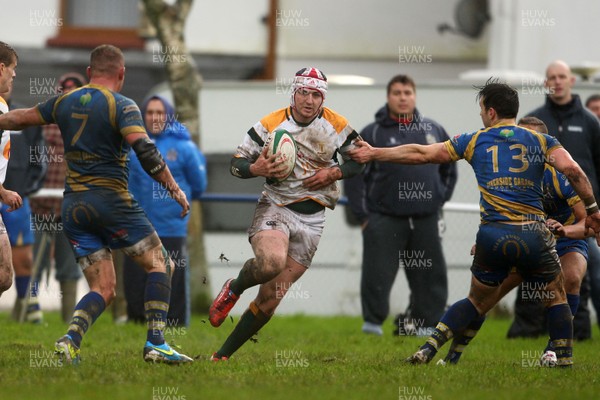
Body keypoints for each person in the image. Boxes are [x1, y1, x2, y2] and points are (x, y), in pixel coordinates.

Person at [348, 79, 600, 367]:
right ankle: (563, 359)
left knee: (476, 302)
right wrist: (593, 210)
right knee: (557, 296)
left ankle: (431, 349)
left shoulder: (474, 139)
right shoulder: (543, 141)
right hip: (534, 235)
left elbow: (422, 154)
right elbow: (574, 170)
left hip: (492, 236)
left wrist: (374, 153)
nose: (481, 115)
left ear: (491, 112)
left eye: (482, 109)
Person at [0, 44, 193, 365]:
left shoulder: (65, 100)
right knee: (162, 264)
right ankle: (156, 343)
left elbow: (21, 119)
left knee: (103, 286)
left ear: (90, 73)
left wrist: (1, 120)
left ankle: (70, 340)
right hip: (112, 200)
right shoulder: (123, 105)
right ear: (121, 74)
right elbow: (145, 151)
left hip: (74, 207)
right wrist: (174, 188)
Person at [208, 67, 364, 361]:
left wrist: (335, 172)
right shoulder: (270, 124)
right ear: (293, 93)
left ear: (323, 99)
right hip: (276, 206)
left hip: (314, 219)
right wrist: (255, 168)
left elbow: (361, 161)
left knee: (269, 301)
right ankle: (235, 287)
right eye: (303, 92)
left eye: (316, 94)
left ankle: (221, 357)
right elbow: (236, 163)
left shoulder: (337, 126)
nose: (308, 100)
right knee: (271, 263)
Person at [438, 116, 590, 365]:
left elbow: (588, 224)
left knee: (571, 278)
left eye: (526, 139)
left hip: (564, 241)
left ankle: (554, 351)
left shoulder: (561, 175)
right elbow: (496, 214)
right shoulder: (508, 177)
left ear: (543, 146)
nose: (517, 145)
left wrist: (564, 230)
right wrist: (487, 243)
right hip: (524, 240)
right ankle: (452, 356)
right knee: (484, 299)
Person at [344, 74, 457, 336]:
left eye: (407, 92)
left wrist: (439, 197)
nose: (403, 97)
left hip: (426, 218)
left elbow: (449, 168)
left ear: (414, 96)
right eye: (397, 92)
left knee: (430, 274)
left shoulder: (433, 130)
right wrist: (364, 217)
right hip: (384, 218)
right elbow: (355, 178)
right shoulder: (372, 132)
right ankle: (372, 324)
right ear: (388, 97)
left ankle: (427, 325)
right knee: (377, 274)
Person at [516, 60, 600, 340]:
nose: (557, 81)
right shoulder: (533, 121)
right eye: (552, 76)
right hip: (536, 211)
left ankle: (576, 333)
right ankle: (527, 330)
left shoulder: (589, 121)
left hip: (580, 210)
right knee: (528, 272)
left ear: (571, 81)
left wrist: (593, 206)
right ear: (545, 82)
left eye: (562, 76)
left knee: (576, 276)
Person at [124, 94, 207, 327]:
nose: (154, 117)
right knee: (135, 279)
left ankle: (175, 326)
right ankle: (137, 324)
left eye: (159, 112)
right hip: (138, 226)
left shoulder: (184, 146)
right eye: (149, 113)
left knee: (173, 279)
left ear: (168, 115)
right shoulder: (134, 145)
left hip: (171, 227)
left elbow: (199, 185)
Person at [29, 72, 85, 324]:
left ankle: (68, 318)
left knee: (68, 266)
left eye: (73, 90)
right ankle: (30, 309)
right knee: (34, 263)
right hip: (40, 205)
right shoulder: (45, 122)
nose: (67, 94)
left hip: (70, 209)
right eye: (63, 89)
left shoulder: (88, 127)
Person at [0, 85, 46, 323]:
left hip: (15, 200)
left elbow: (39, 156)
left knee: (24, 259)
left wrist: (26, 188)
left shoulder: (20, 117)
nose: (13, 77)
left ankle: (32, 307)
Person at [0, 41, 24, 297]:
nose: (15, 74)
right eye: (13, 68)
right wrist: (3, 191)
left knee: (4, 275)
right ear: (1, 68)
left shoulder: (3, 106)